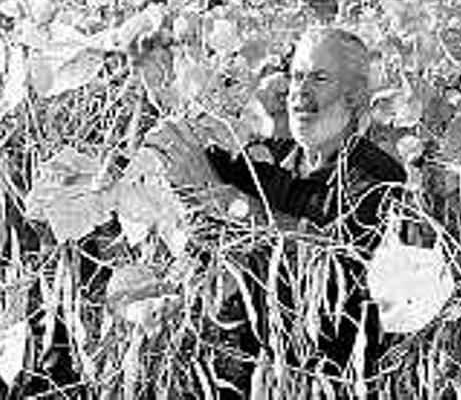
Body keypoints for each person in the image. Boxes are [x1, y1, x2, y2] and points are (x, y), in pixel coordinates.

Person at [146, 26, 406, 395]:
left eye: (319, 77)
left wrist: (222, 197)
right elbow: (191, 188)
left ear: (353, 95)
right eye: (297, 76)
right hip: (261, 371)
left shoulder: (380, 177)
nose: (299, 91)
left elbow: (329, 255)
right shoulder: (270, 159)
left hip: (330, 379)